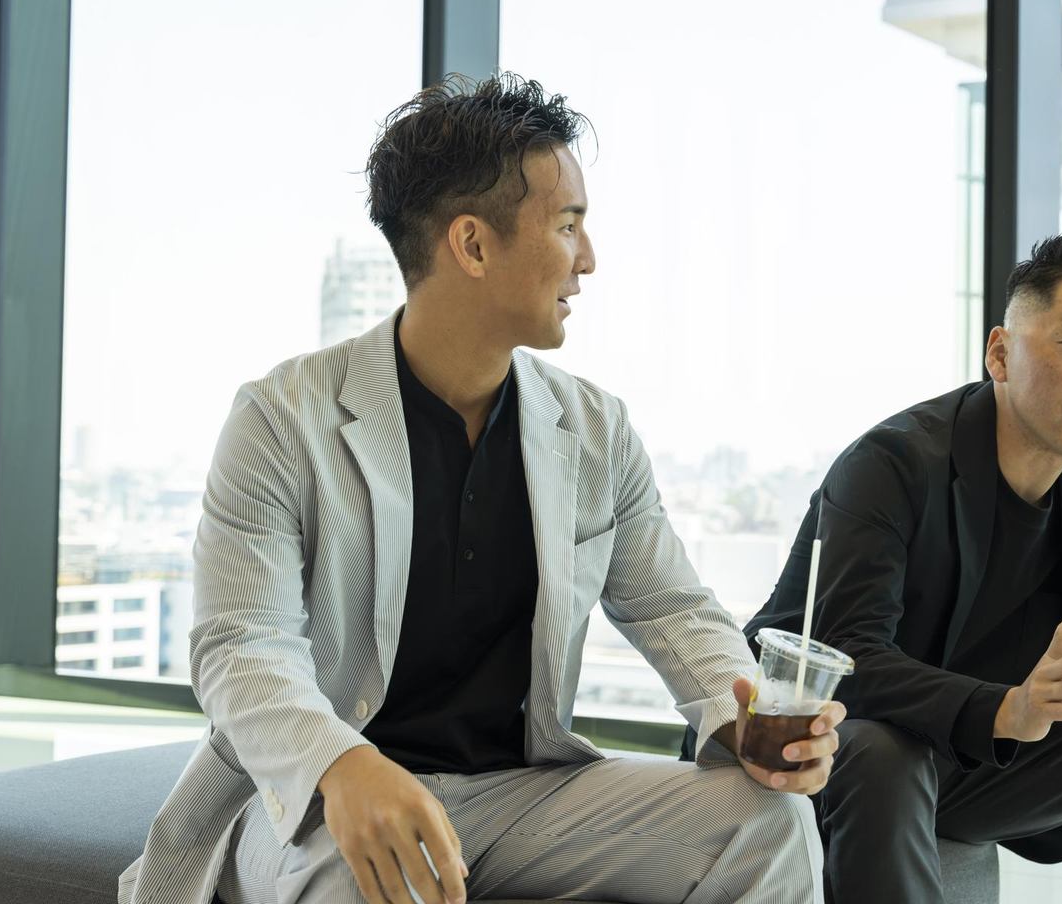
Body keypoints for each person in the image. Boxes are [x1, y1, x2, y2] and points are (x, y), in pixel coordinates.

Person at [118, 73, 844, 904]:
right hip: (310, 802)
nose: (588, 259)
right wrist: (342, 764)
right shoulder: (282, 418)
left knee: (768, 822)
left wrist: (741, 718)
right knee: (376, 874)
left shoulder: (596, 430)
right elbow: (241, 645)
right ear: (472, 245)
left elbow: (673, 609)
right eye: (567, 225)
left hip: (520, 793)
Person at [739, 234, 1062, 902]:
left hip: (975, 760)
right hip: (825, 749)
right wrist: (1008, 708)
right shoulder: (894, 464)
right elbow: (847, 656)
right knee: (888, 753)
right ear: (1000, 354)